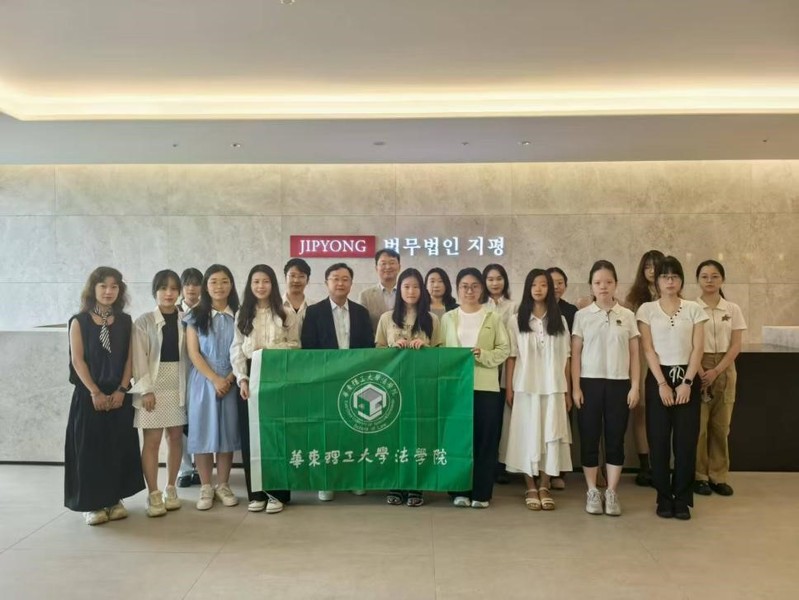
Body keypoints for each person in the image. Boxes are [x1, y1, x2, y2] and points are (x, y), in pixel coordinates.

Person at [65, 267, 144, 526]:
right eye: (103, 286)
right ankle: (92, 504)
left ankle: (114, 499)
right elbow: (78, 361)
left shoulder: (125, 321)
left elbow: (130, 359)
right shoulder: (79, 321)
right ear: (93, 289)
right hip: (89, 395)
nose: (109, 291)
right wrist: (95, 392)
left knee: (116, 447)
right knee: (90, 450)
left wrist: (122, 389)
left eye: (114, 286)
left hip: (119, 395)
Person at [637, 256, 708, 520]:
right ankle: (664, 498)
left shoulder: (693, 309)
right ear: (656, 281)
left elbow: (698, 348)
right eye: (665, 276)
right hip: (659, 378)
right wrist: (662, 384)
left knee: (686, 442)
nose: (670, 281)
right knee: (658, 441)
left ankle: (683, 498)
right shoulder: (646, 310)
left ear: (681, 280)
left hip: (687, 376)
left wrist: (687, 382)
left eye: (675, 276)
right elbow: (648, 350)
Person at [301, 262, 375, 501]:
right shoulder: (314, 312)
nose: (340, 283)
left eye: (345, 279)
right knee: (327, 432)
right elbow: (309, 349)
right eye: (335, 278)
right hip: (326, 382)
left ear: (351, 284)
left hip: (355, 383)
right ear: (326, 283)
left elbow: (368, 349)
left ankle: (355, 478)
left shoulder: (361, 313)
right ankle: (326, 481)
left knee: (355, 432)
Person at [571, 261, 640, 516]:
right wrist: (576, 388)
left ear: (616, 284)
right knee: (589, 438)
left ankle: (611, 491)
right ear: (591, 285)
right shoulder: (582, 316)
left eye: (608, 282)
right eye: (598, 282)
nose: (603, 287)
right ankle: (592, 490)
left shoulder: (628, 315)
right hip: (589, 383)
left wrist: (635, 387)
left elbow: (635, 355)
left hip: (619, 384)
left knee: (615, 439)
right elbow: (575, 355)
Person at [231, 264, 300, 514]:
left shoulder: (285, 312)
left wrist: (270, 352)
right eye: (256, 282)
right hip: (251, 377)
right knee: (252, 437)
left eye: (266, 281)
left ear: (273, 284)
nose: (261, 286)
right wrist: (242, 379)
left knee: (277, 436)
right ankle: (257, 493)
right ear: (250, 285)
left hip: (277, 375)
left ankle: (277, 494)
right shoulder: (242, 313)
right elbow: (237, 348)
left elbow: (295, 345)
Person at [440, 268, 510, 509]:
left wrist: (484, 355)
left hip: (486, 387)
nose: (469, 291)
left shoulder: (493, 317)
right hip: (456, 389)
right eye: (464, 286)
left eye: (474, 286)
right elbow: (440, 352)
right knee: (459, 439)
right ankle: (459, 490)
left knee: (485, 440)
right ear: (457, 289)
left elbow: (504, 349)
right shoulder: (448, 318)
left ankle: (481, 493)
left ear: (482, 289)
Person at [504, 269, 571, 511]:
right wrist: (509, 388)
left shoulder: (560, 320)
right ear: (528, 288)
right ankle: (530, 485)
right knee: (527, 434)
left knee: (550, 435)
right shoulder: (516, 320)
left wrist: (568, 391)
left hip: (553, 388)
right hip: (525, 387)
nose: (539, 289)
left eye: (543, 284)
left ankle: (544, 484)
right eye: (534, 284)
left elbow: (567, 358)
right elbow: (512, 356)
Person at [375, 268, 442, 507]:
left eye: (415, 286)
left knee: (419, 434)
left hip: (422, 386)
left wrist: (425, 347)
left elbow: (441, 353)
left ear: (422, 290)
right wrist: (393, 348)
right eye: (406, 286)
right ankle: (396, 482)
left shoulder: (432, 319)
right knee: (394, 434)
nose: (411, 291)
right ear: (399, 290)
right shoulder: (386, 318)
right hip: (393, 386)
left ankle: (416, 484)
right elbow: (377, 351)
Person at [131, 270, 189, 517]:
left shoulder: (186, 319)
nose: (169, 293)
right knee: (152, 441)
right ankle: (153, 492)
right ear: (155, 291)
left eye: (174, 288)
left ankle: (171, 488)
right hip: (153, 385)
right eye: (163, 288)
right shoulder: (143, 321)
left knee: (175, 437)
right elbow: (138, 359)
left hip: (178, 383)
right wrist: (146, 390)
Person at [184, 264, 241, 511]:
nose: (219, 286)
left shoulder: (240, 314)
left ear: (231, 285)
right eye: (214, 281)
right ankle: (206, 486)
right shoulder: (195, 316)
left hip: (232, 380)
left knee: (227, 434)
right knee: (203, 433)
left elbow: (244, 349)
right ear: (206, 286)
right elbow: (193, 353)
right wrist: (215, 379)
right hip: (203, 382)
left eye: (225, 281)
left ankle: (223, 485)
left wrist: (229, 377)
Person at [693, 260, 746, 497]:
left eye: (715, 276)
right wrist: (701, 371)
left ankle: (718, 476)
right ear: (698, 280)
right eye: (704, 276)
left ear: (722, 279)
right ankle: (699, 476)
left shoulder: (732, 309)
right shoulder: (691, 308)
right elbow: (689, 344)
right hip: (698, 366)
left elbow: (736, 345)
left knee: (721, 427)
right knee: (699, 428)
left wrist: (716, 371)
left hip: (725, 367)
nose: (710, 281)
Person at [625, 250, 666, 487]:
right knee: (640, 411)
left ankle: (661, 464)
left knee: (661, 412)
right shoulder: (634, 298)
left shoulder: (673, 294)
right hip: (641, 357)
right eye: (647, 266)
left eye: (656, 266)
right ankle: (645, 465)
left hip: (666, 357)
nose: (652, 271)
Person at [481, 263, 516, 485]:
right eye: (490, 279)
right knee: (487, 419)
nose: (495, 283)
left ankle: (500, 465)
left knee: (503, 419)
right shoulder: (479, 306)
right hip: (483, 368)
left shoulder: (514, 306)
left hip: (505, 370)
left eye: (499, 278)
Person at [177, 267, 203, 488]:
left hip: (203, 373)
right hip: (179, 373)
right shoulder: (172, 312)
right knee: (180, 422)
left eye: (196, 284)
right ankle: (185, 468)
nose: (191, 288)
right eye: (187, 284)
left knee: (200, 420)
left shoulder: (208, 312)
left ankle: (202, 467)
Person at [358, 248, 401, 330]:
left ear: (399, 267)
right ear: (376, 268)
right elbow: (362, 325)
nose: (388, 267)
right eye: (383, 263)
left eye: (392, 263)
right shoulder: (365, 296)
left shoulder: (407, 293)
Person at [283, 257, 312, 331]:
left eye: (301, 276)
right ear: (285, 278)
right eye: (292, 276)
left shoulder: (315, 308)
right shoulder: (274, 306)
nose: (296, 280)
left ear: (307, 280)